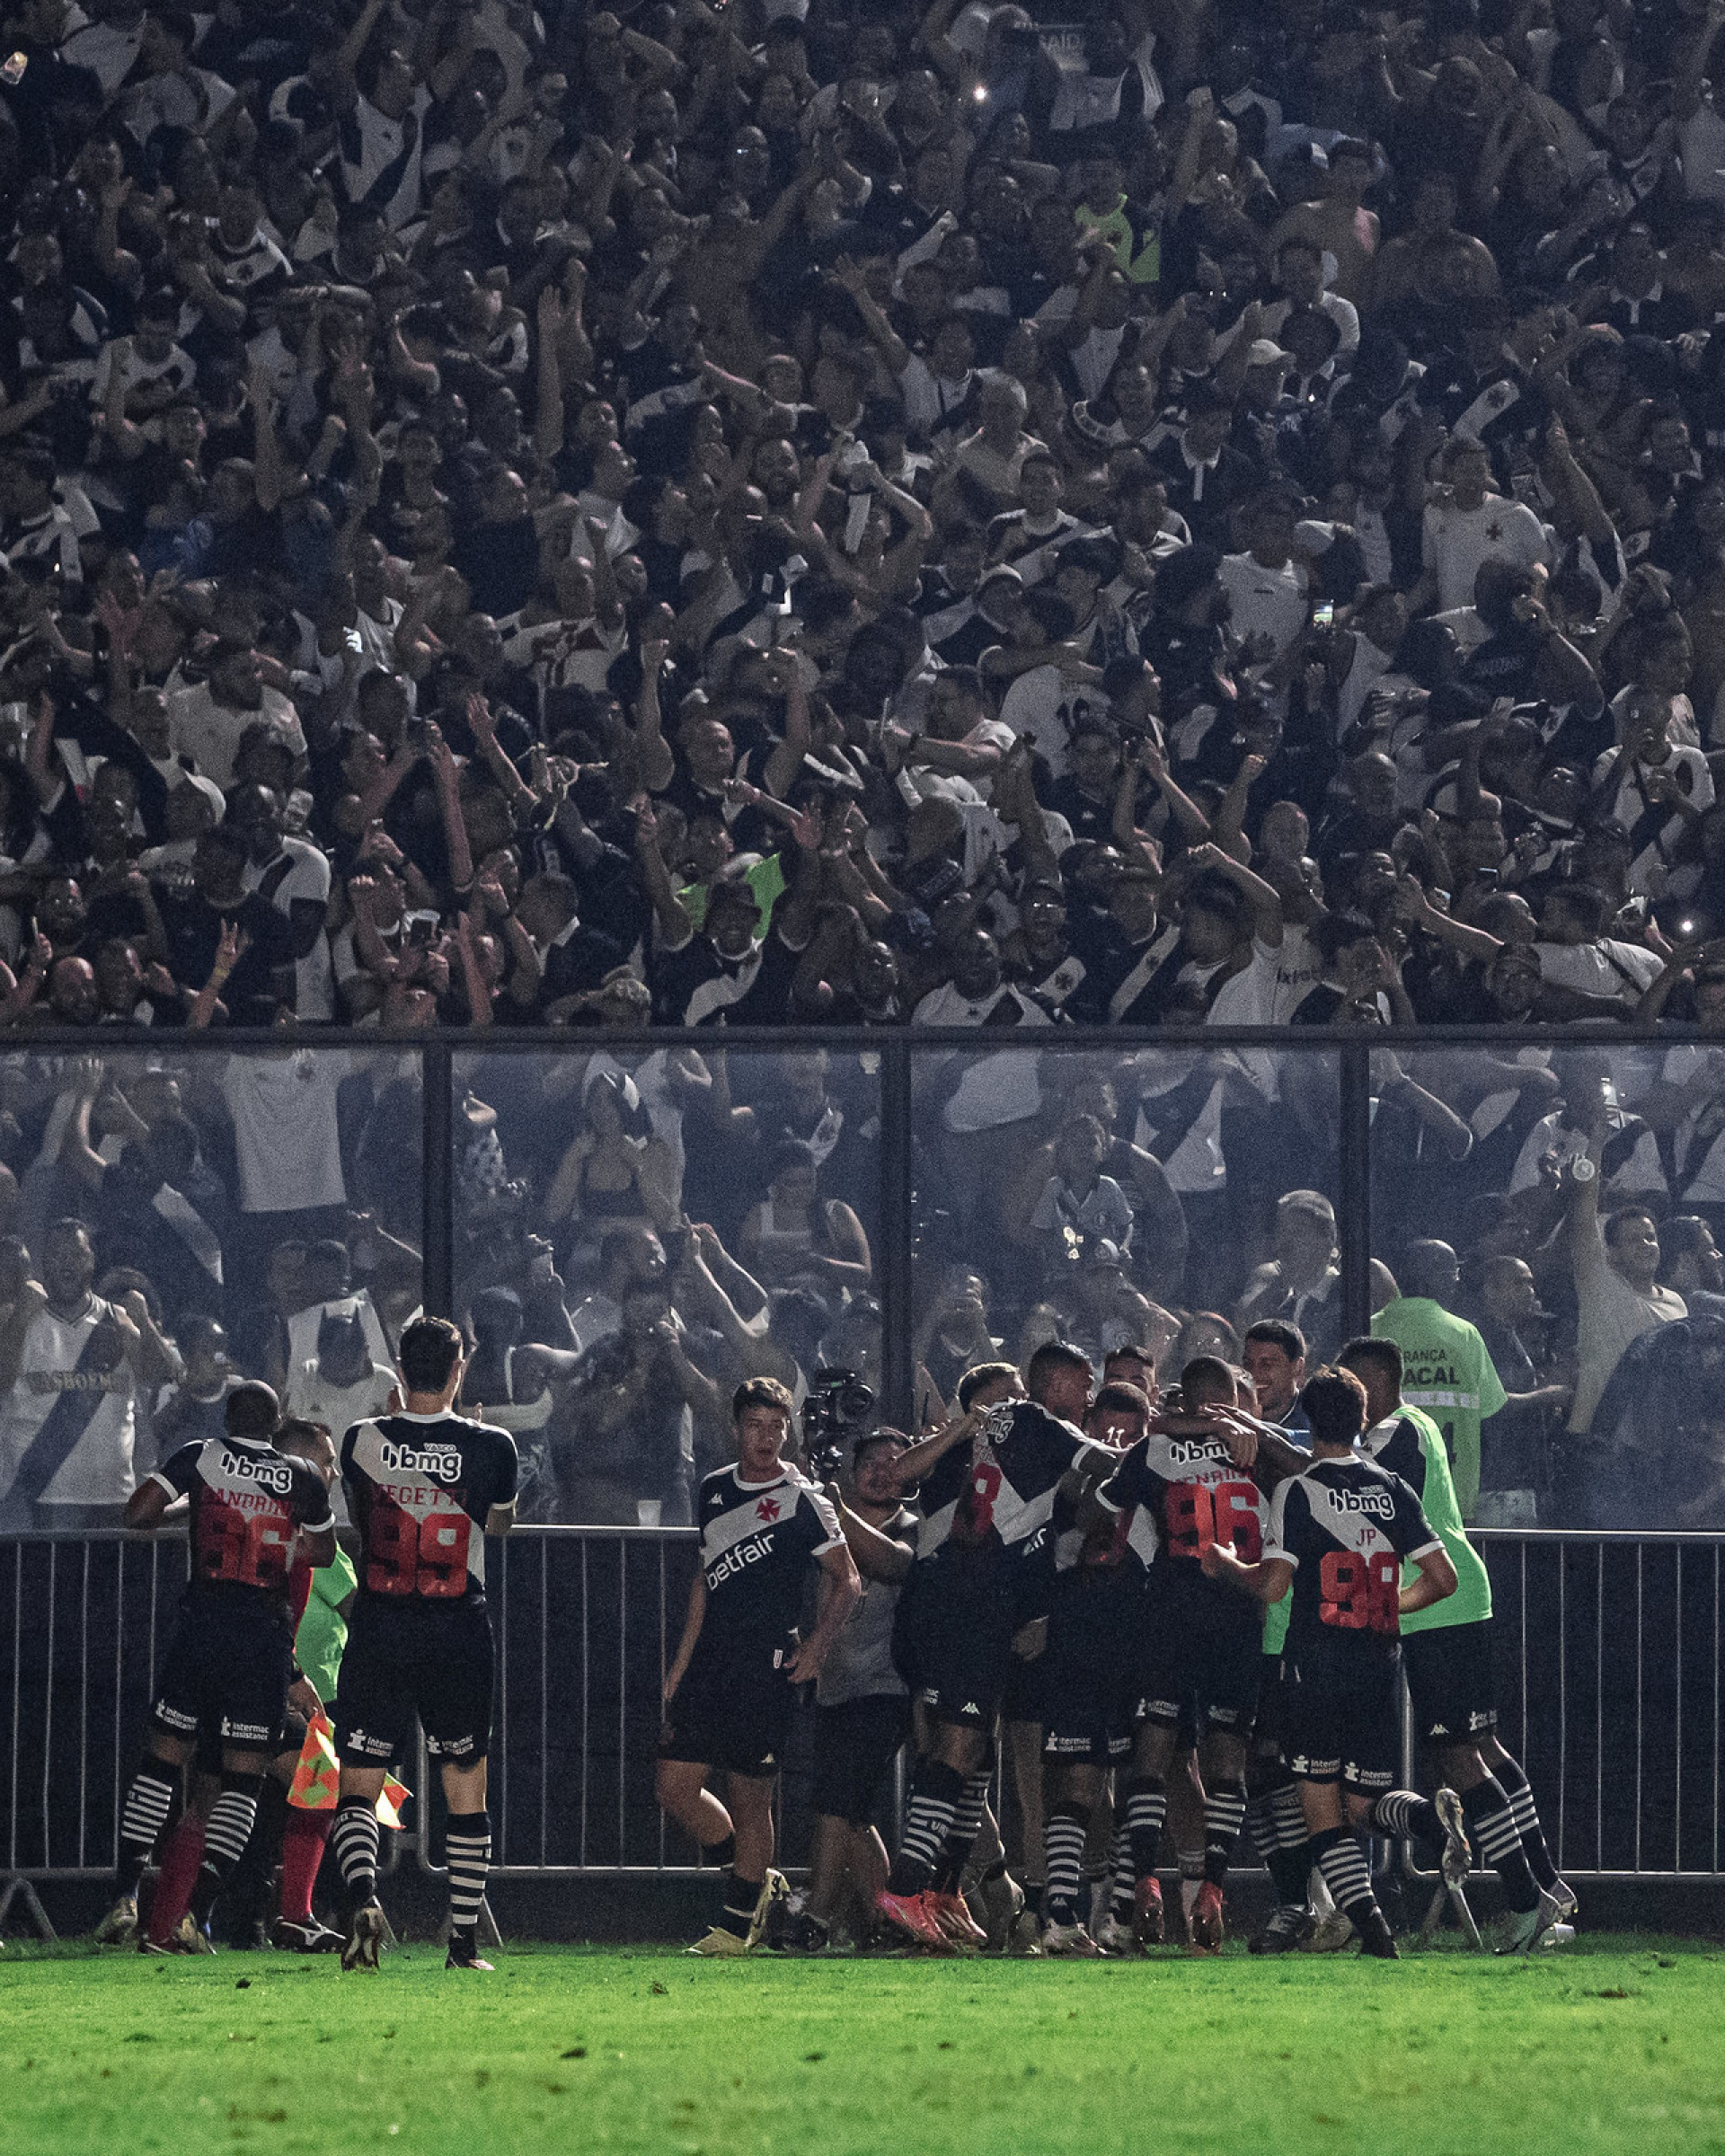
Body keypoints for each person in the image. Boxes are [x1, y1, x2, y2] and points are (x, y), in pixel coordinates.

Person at [1201, 1366, 1467, 1959]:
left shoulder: (1297, 1490)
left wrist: (1225, 1563)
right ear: (1363, 1418)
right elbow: (1443, 1579)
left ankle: (1376, 1934)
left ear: (1309, 1420)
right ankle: (1427, 1821)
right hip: (1378, 1663)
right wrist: (1386, 1603)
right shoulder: (1392, 1488)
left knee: (1323, 1811)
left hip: (1315, 1667)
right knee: (1365, 1806)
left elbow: (1273, 1586)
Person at [1340, 1337, 1575, 1952]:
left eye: (1354, 1383)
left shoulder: (1394, 1434)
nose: (1350, 1397)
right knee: (1482, 1746)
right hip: (1457, 1599)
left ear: (1379, 1384)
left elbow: (1350, 1483)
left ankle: (1526, 1903)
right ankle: (1547, 1885)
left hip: (1437, 1606)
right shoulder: (1413, 1424)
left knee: (1457, 1756)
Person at [880, 1341, 1110, 1949]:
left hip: (970, 1605)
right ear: (1053, 1385)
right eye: (1083, 1383)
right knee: (956, 1747)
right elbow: (1107, 1463)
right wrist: (1163, 1445)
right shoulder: (1038, 1422)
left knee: (973, 1751)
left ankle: (940, 1889)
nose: (1089, 1395)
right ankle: (906, 1888)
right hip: (968, 1605)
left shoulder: (998, 1440)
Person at [97, 1383, 334, 1948]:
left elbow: (138, 1513)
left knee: (162, 1764)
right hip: (262, 1644)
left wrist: (197, 1505)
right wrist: (276, 1536)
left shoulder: (202, 1455)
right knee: (241, 1783)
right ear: (275, 1424)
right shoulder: (303, 1477)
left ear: (226, 1419)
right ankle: (195, 1913)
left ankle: (127, 1896)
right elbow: (323, 1552)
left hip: (200, 1632)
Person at [1084, 1355, 1306, 1953]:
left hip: (1169, 1613)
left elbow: (1101, 1510)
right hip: (1239, 1617)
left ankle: (1142, 1881)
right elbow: (1311, 1471)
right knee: (1227, 1758)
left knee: (1153, 1753)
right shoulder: (1261, 1454)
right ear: (1232, 1399)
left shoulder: (1156, 1451)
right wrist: (1249, 1433)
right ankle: (1211, 1887)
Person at [330, 1316, 518, 1974]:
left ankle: (363, 1900)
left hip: (381, 1622)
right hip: (456, 1626)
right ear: (459, 1369)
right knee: (466, 1788)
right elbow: (499, 1525)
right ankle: (462, 1944)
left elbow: (362, 1520)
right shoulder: (492, 1446)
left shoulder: (362, 1438)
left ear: (401, 1370)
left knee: (358, 1782)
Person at [657, 1377, 859, 1957]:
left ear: (788, 1431)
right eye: (755, 1426)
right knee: (674, 1787)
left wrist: (816, 1647)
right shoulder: (714, 1489)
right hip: (710, 1664)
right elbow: (704, 1580)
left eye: (777, 1426)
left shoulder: (803, 1498)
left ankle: (736, 1925)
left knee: (751, 1798)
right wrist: (679, 1665)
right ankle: (755, 1881)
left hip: (765, 1668)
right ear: (735, 1429)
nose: (767, 1437)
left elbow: (848, 1580)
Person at [804, 1428, 918, 1953]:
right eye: (870, 1462)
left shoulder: (916, 1525)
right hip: (832, 1685)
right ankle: (888, 1922)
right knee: (850, 1815)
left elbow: (891, 1563)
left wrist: (835, 1509)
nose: (881, 1471)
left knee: (838, 1804)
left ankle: (816, 1919)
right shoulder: (826, 1516)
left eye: (896, 1462)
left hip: (885, 1687)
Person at [0, 1215, 176, 1528]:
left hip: (113, 1497)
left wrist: (145, 1323)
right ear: (43, 1262)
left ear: (92, 1260)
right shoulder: (21, 1318)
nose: (67, 1263)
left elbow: (163, 1376)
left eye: (76, 1254)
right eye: (57, 1255)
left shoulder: (120, 1321)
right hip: (36, 1498)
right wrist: (19, 1318)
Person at [1371, 1241, 1508, 1520]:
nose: (1457, 1281)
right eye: (1453, 1273)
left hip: (1381, 1498)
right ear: (1436, 1279)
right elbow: (1491, 1408)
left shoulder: (1372, 1328)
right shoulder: (1465, 1334)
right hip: (1451, 1498)